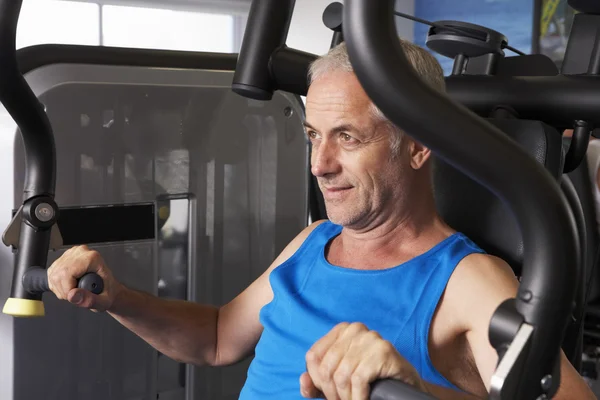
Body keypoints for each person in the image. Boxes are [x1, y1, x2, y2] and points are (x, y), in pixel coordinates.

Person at [46, 40, 596, 400]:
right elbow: (215, 339)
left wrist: (415, 393)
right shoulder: (315, 242)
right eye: (313, 136)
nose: (319, 165)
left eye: (347, 138)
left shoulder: (469, 281)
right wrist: (118, 298)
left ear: (419, 146)